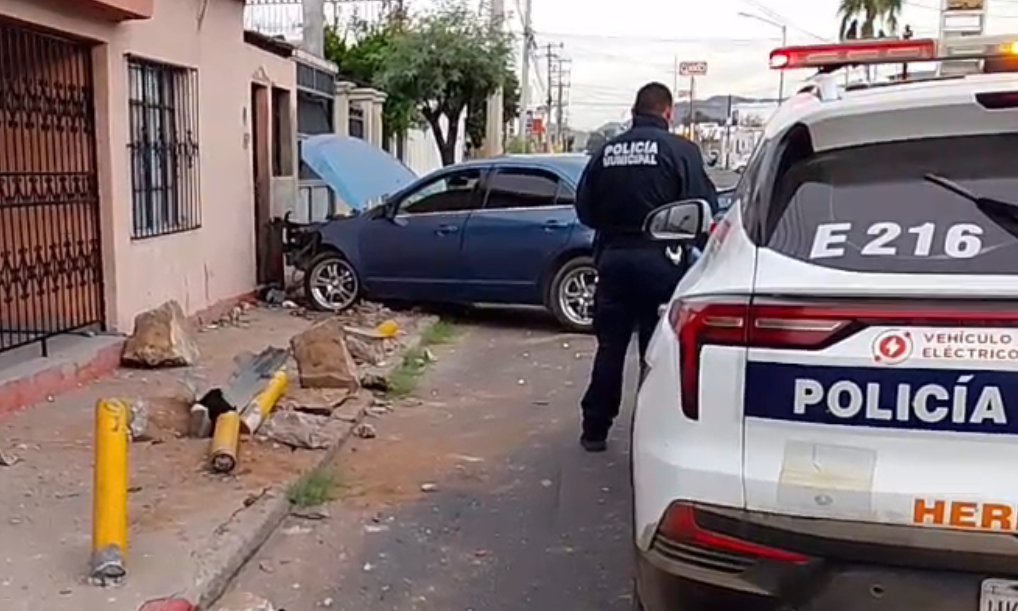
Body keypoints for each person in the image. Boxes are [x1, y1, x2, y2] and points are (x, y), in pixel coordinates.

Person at [573, 81, 718, 453]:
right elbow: (704, 207)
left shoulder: (605, 151)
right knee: (656, 351)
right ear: (667, 112)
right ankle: (649, 434)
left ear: (635, 110)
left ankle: (595, 429)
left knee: (610, 347)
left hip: (614, 259)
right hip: (662, 261)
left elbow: (585, 210)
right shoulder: (681, 150)